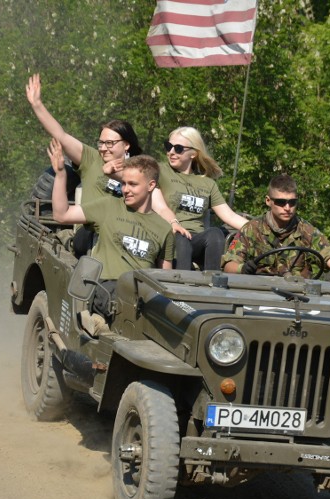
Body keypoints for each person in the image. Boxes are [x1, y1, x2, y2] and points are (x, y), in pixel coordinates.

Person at [25, 74, 187, 249]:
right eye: (101, 143)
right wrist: (37, 105)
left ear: (126, 145)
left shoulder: (138, 171)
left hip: (127, 232)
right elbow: (61, 136)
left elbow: (157, 201)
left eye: (110, 143)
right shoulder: (92, 159)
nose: (103, 148)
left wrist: (173, 222)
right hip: (90, 231)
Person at [48, 138, 174, 329]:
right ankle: (100, 324)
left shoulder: (164, 228)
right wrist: (60, 175)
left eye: (133, 184)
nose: (125, 190)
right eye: (123, 184)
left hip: (142, 297)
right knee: (121, 300)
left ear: (151, 186)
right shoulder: (108, 206)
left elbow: (165, 278)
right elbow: (62, 215)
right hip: (107, 289)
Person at [222, 174, 330, 287]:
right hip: (259, 294)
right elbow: (228, 266)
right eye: (281, 202)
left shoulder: (307, 231)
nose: (287, 207)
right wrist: (243, 269)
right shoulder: (251, 229)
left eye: (292, 202)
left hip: (299, 296)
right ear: (268, 201)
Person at [153, 127, 248, 270]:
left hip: (196, 239)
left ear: (193, 153)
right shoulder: (159, 171)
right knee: (181, 238)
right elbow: (160, 207)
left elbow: (229, 216)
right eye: (168, 146)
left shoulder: (207, 183)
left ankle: (212, 282)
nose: (171, 152)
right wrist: (174, 223)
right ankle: (182, 285)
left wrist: (259, 230)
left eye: (178, 148)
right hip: (170, 234)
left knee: (215, 234)